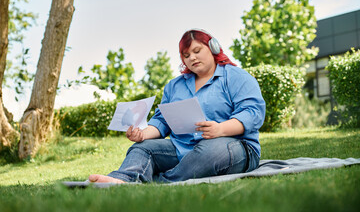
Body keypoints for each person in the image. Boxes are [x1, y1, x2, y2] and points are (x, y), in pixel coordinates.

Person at [89, 29, 266, 183]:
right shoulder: (175, 86)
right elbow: (161, 122)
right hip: (182, 147)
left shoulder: (236, 77)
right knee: (142, 148)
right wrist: (142, 133)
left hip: (234, 147)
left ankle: (161, 182)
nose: (192, 58)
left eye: (197, 51)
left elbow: (253, 113)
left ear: (213, 48)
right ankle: (123, 179)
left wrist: (220, 129)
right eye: (186, 55)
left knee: (211, 151)